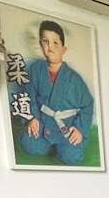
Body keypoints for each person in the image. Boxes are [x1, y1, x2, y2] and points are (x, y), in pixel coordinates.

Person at [17, 20, 95, 165]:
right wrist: (32, 118)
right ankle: (48, 145)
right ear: (41, 44)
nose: (50, 47)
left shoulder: (74, 79)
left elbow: (88, 104)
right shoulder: (36, 69)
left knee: (72, 157)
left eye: (55, 43)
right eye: (45, 41)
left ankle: (61, 147)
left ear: (63, 49)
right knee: (28, 144)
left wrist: (79, 129)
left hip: (65, 127)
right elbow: (29, 95)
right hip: (42, 123)